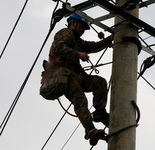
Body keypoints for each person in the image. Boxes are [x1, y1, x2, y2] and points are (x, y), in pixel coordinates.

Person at [48, 12, 113, 145]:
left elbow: (93, 46)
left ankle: (100, 112)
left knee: (99, 82)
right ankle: (90, 131)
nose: (83, 30)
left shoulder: (77, 40)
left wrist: (111, 39)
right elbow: (58, 47)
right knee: (80, 100)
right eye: (82, 26)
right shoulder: (66, 33)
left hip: (76, 75)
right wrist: (78, 54)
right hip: (63, 74)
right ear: (74, 23)